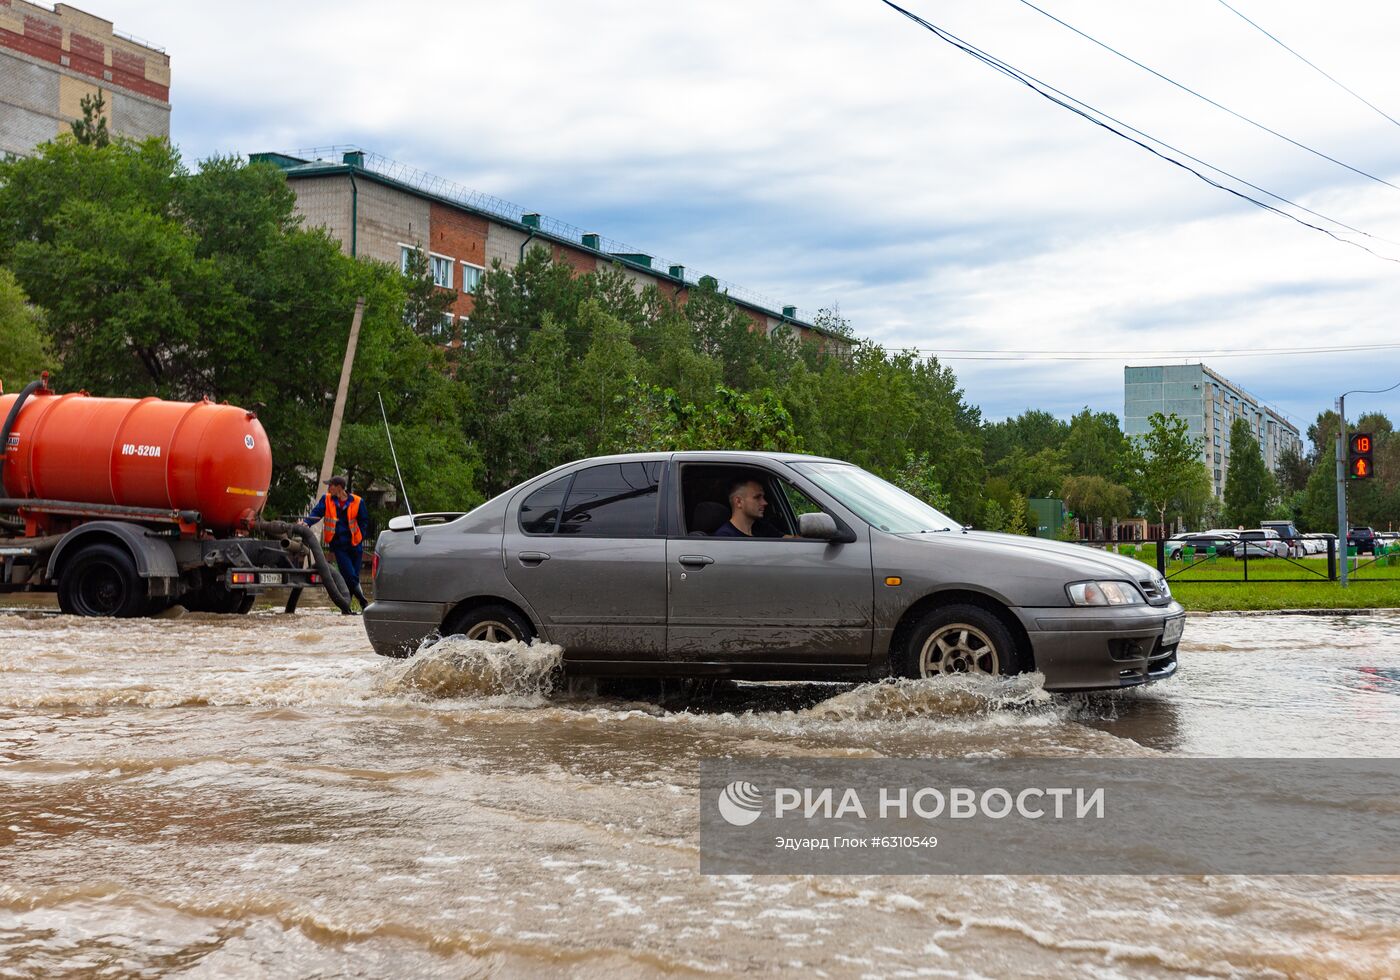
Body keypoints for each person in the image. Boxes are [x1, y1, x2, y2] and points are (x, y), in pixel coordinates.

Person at [303, 475, 371, 613]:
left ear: (339, 487)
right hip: (339, 546)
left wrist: (360, 537)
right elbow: (316, 513)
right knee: (350, 576)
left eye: (331, 486)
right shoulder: (327, 499)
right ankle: (364, 603)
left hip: (355, 545)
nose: (329, 488)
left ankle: (346, 609)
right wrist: (306, 523)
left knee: (352, 578)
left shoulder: (358, 501)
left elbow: (364, 522)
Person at [712, 478, 783, 538]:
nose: (765, 503)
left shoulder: (762, 528)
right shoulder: (725, 537)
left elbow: (790, 540)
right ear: (738, 502)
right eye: (757, 497)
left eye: (763, 497)